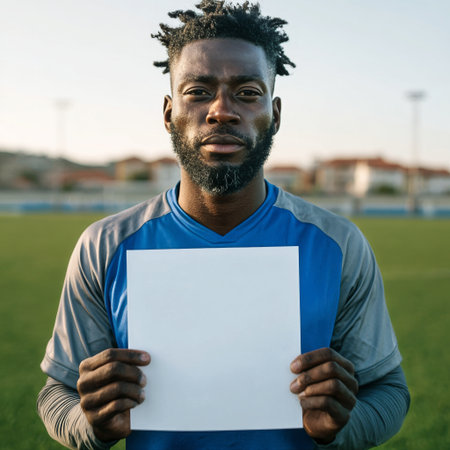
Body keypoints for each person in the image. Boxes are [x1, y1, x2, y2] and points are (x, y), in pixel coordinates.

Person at [37, 1, 410, 449]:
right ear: (168, 111)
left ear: (274, 113)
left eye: (247, 92)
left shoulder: (338, 244)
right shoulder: (105, 245)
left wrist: (339, 426)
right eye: (198, 91)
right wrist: (92, 423)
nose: (222, 111)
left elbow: (388, 393)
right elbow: (56, 395)